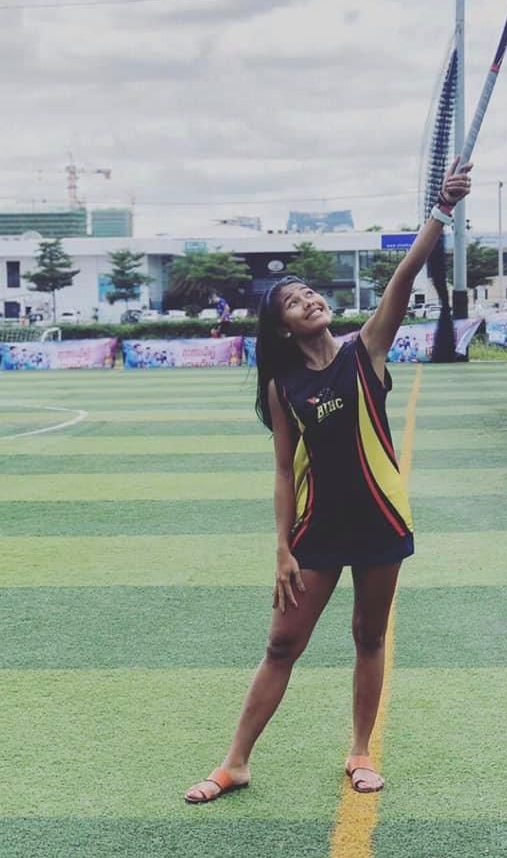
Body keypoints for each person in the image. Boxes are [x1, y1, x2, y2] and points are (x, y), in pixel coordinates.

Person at [184, 156, 473, 805]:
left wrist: (440, 209)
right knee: (282, 642)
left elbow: (402, 278)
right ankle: (235, 762)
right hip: (317, 530)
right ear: (282, 324)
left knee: (369, 636)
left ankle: (361, 750)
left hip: (380, 520)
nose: (308, 299)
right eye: (293, 300)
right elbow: (284, 472)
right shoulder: (284, 386)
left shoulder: (365, 351)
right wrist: (283, 547)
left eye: (310, 293)